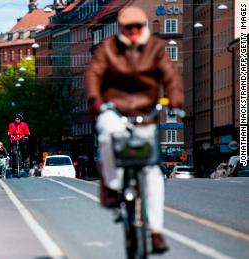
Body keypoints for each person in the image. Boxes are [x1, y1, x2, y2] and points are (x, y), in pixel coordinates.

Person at [85, 6, 184, 254]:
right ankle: (112, 184)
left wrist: (175, 97)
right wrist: (95, 99)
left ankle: (156, 232)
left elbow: (169, 74)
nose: (134, 32)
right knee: (107, 136)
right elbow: (95, 74)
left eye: (138, 27)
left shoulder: (155, 48)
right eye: (129, 28)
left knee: (152, 173)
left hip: (146, 113)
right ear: (121, 28)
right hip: (114, 110)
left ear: (144, 26)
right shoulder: (108, 48)